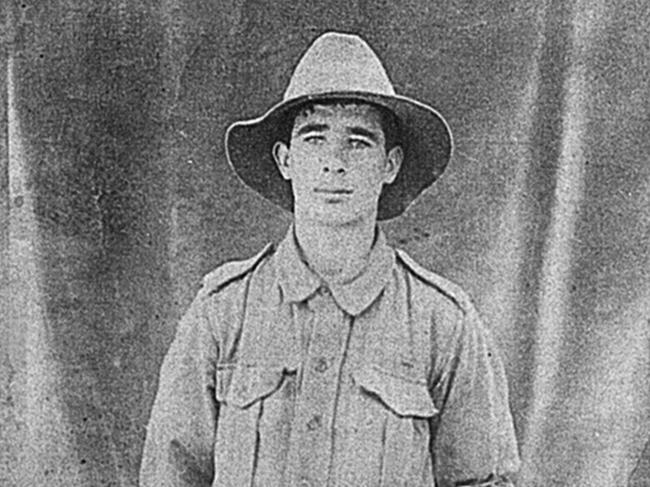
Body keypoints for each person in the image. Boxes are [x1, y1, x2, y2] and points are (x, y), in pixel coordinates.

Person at [140, 31, 520, 487]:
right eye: (314, 138)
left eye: (358, 142)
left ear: (390, 165)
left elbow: (485, 480)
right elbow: (170, 474)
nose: (333, 163)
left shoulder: (442, 323)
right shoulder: (222, 313)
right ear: (285, 159)